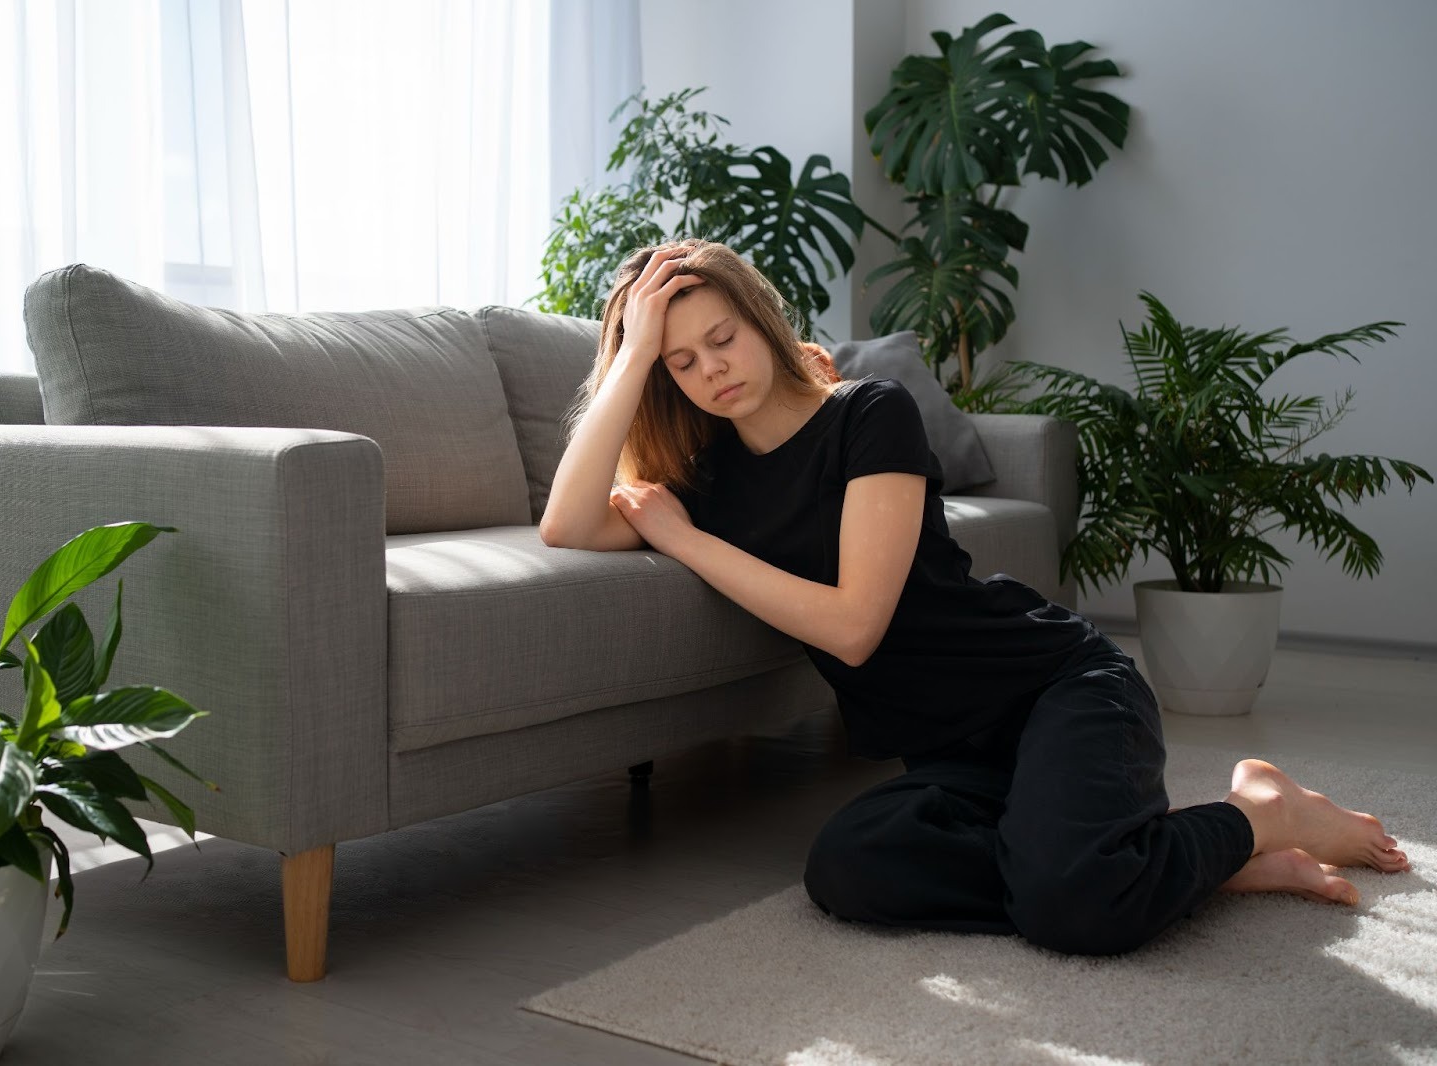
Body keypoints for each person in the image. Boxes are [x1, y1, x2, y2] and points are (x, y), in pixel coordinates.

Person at [539, 237, 1412, 956]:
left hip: (1056, 690)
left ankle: (1255, 817)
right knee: (846, 869)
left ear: (761, 322)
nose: (712, 370)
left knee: (1072, 912)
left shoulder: (869, 413)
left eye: (721, 337)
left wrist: (689, 542)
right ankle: (1152, 860)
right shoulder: (708, 477)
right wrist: (631, 354)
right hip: (952, 757)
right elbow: (566, 525)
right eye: (681, 361)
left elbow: (852, 628)